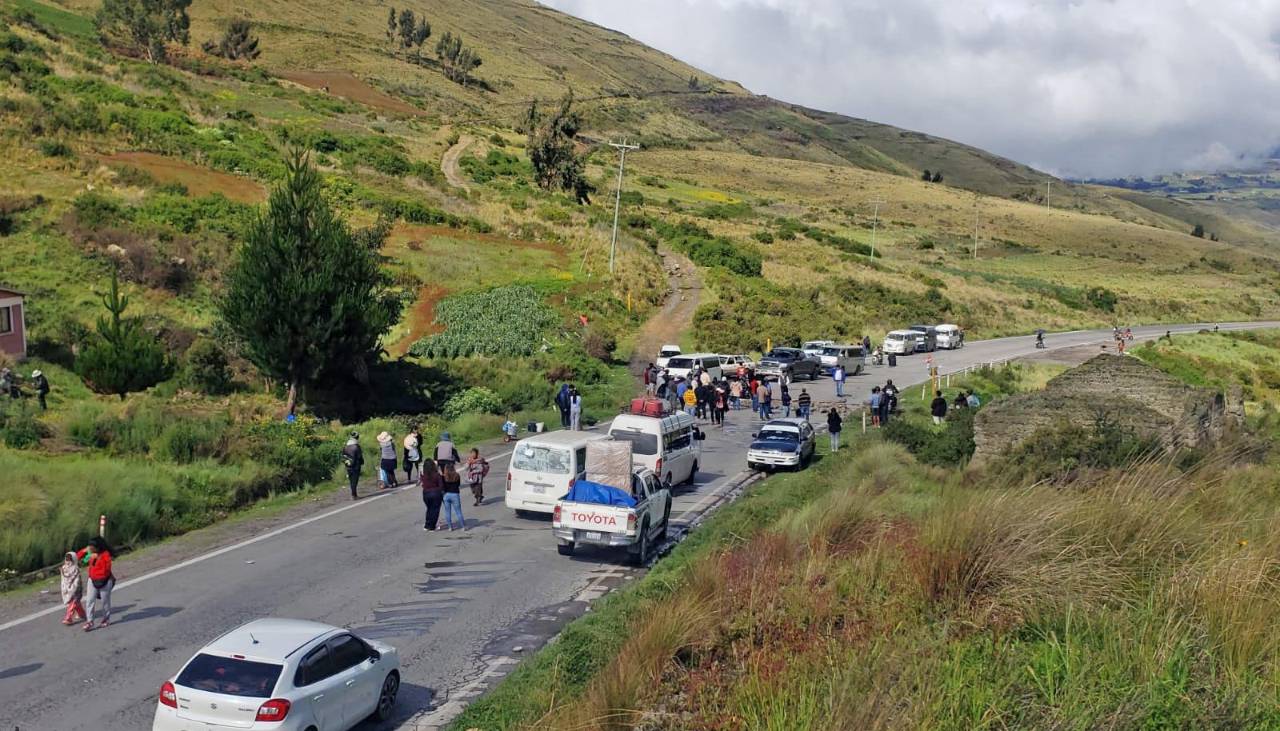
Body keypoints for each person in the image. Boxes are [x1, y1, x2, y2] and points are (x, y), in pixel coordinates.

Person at [76, 537, 114, 631]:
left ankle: (106, 619)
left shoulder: (106, 555)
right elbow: (77, 557)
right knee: (89, 600)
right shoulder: (90, 553)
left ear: (98, 548)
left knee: (105, 601)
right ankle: (90, 621)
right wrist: (85, 550)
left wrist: (98, 558)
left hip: (104, 581)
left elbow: (106, 570)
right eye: (90, 546)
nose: (91, 548)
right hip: (92, 580)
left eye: (92, 547)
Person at [60, 551, 85, 626]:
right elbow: (64, 579)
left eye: (70, 559)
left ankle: (68, 618)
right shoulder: (64, 568)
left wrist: (75, 587)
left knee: (73, 603)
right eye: (67, 558)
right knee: (76, 603)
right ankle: (82, 614)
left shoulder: (75, 568)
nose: (68, 560)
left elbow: (77, 579)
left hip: (75, 589)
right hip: (67, 588)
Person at [441, 463, 465, 530]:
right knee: (458, 511)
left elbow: (442, 486)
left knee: (447, 512)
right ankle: (463, 526)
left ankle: (450, 527)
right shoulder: (457, 475)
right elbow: (458, 485)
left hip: (446, 495)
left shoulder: (443, 477)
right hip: (455, 494)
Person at [420, 460, 443, 530]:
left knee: (429, 509)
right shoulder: (436, 474)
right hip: (435, 493)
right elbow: (441, 485)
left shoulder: (423, 475)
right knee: (435, 510)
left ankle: (427, 524)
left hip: (426, 493)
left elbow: (422, 483)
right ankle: (432, 526)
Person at [341, 431, 364, 500]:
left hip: (348, 465)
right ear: (357, 437)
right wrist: (362, 462)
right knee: (355, 480)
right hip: (356, 466)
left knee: (351, 480)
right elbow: (360, 457)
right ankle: (353, 495)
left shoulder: (346, 446)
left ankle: (354, 494)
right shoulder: (356, 446)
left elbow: (343, 456)